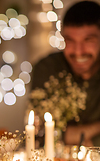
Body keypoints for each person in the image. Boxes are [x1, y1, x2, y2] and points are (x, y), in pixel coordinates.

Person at [31, 1, 100, 146]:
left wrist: (72, 135)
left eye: (88, 40)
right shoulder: (47, 69)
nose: (78, 51)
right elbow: (40, 134)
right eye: (70, 41)